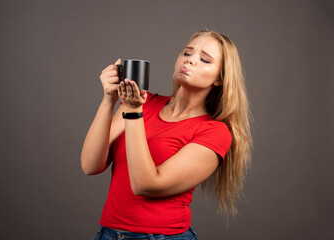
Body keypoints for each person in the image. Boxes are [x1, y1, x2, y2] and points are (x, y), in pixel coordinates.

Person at [81, 29, 252, 240]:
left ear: (219, 79)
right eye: (187, 53)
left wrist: (134, 112)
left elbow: (146, 185)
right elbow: (90, 165)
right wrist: (109, 99)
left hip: (162, 237)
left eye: (205, 60)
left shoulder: (215, 132)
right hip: (109, 233)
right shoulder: (145, 102)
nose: (190, 61)